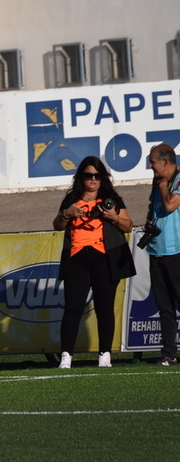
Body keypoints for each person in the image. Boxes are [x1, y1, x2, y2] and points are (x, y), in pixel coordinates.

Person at [52, 155, 134, 369]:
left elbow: (128, 226)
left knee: (105, 309)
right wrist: (66, 213)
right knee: (72, 309)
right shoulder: (71, 198)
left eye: (97, 176)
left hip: (105, 258)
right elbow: (57, 225)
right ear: (81, 177)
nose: (93, 180)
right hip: (77, 258)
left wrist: (112, 217)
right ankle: (66, 357)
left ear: (103, 177)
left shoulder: (111, 198)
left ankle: (105, 355)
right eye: (88, 175)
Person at [143, 143, 180, 366]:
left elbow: (169, 205)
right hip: (157, 250)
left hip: (176, 250)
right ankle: (168, 353)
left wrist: (164, 185)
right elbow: (155, 207)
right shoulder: (158, 183)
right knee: (164, 306)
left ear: (165, 162)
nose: (150, 165)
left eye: (153, 161)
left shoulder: (173, 180)